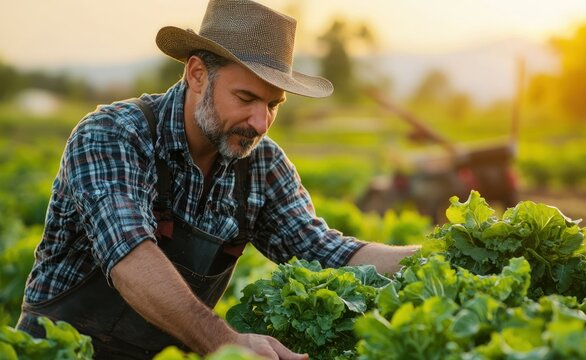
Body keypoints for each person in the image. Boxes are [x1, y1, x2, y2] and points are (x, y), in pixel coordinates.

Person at [16, 0, 419, 358]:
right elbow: (129, 259)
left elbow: (326, 252)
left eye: (273, 105)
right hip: (58, 349)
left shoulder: (261, 165)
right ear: (196, 75)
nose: (260, 123)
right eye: (245, 99)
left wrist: (439, 255)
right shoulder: (113, 134)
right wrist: (227, 343)